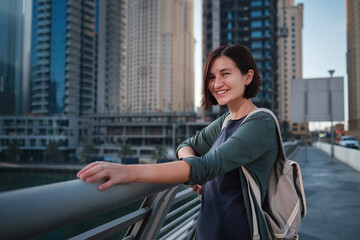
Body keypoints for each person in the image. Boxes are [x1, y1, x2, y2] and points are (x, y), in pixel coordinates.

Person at [77, 44, 278, 240]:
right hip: (208, 231)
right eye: (211, 77)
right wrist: (192, 163)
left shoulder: (260, 123)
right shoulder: (226, 121)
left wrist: (128, 172)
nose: (216, 84)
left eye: (225, 74)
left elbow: (207, 166)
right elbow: (185, 145)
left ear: (248, 76)